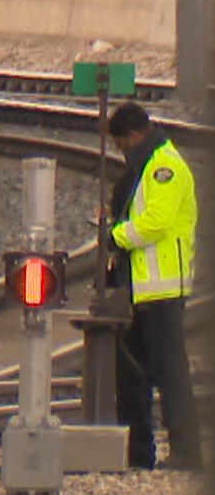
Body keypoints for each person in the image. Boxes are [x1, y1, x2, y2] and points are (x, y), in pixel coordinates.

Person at [106, 101, 201, 471]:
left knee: (170, 374)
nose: (121, 153)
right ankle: (138, 454)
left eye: (120, 145)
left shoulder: (164, 167)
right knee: (133, 376)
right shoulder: (145, 167)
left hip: (163, 290)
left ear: (132, 136)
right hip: (140, 290)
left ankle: (187, 453)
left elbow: (156, 222)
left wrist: (115, 236)